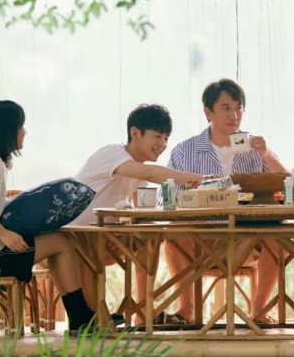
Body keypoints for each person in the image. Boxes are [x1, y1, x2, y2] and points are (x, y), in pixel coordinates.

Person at [0, 100, 95, 332]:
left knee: (57, 242)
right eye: (21, 125)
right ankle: (80, 317)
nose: (24, 131)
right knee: (61, 242)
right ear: (7, 130)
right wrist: (2, 233)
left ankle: (80, 316)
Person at [166, 78, 288, 324]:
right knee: (174, 235)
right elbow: (170, 203)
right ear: (208, 112)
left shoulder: (255, 148)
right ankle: (187, 310)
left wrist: (266, 154)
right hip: (200, 237)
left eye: (238, 107)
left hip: (247, 238)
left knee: (277, 237)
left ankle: (259, 310)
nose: (234, 115)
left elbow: (286, 186)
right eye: (226, 108)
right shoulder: (183, 151)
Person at [69, 103, 203, 324]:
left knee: (146, 240)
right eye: (157, 136)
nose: (163, 144)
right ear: (135, 133)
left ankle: (143, 310)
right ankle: (95, 318)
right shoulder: (112, 154)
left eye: (166, 138)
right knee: (139, 238)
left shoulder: (136, 171)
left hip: (102, 238)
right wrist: (198, 179)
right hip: (75, 238)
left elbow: (140, 211)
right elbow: (151, 174)